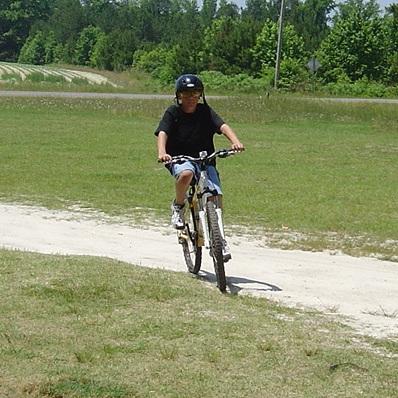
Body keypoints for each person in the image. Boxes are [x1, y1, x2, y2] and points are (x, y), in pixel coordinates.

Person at [155, 74, 244, 258]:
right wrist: (162, 152)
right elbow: (163, 132)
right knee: (186, 174)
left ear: (200, 95)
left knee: (215, 196)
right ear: (178, 96)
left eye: (194, 94)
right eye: (186, 94)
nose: (190, 98)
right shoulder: (173, 112)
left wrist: (235, 141)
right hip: (180, 158)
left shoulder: (205, 111)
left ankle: (220, 239)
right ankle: (178, 207)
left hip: (205, 159)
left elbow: (223, 126)